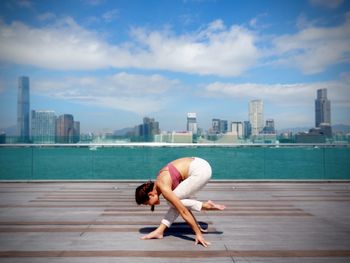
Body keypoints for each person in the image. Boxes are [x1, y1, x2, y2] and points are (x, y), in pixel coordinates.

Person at [135, 157, 225, 247]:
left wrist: (198, 234)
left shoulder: (164, 186)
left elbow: (183, 211)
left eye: (147, 203)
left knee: (172, 202)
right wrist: (196, 225)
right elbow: (183, 204)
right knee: (176, 201)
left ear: (150, 194)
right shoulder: (161, 179)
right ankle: (159, 231)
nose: (150, 205)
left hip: (200, 171)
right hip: (201, 164)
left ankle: (205, 205)